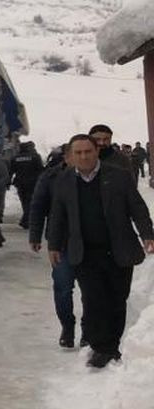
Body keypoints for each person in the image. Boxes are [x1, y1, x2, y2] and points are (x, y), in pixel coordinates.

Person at [48, 133, 154, 368]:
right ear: (71, 155)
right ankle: (100, 347)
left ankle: (112, 344)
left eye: (88, 151)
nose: (83, 157)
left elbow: (137, 207)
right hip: (85, 252)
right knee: (94, 300)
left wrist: (148, 234)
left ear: (96, 152)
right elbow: (58, 215)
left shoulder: (118, 176)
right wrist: (54, 245)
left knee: (117, 299)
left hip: (118, 249)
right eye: (78, 153)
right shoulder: (65, 180)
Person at [29, 144, 82, 348]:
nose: (80, 158)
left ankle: (88, 329)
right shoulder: (50, 177)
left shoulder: (94, 177)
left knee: (90, 289)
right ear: (67, 157)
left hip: (90, 241)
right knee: (62, 287)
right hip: (60, 241)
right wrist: (35, 234)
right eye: (75, 154)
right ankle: (67, 327)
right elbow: (38, 205)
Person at [10, 141, 45, 229]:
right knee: (30, 202)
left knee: (24, 202)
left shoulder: (15, 158)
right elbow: (40, 169)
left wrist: (8, 181)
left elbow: (11, 170)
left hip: (20, 183)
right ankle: (26, 220)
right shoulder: (35, 157)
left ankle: (26, 220)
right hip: (32, 183)